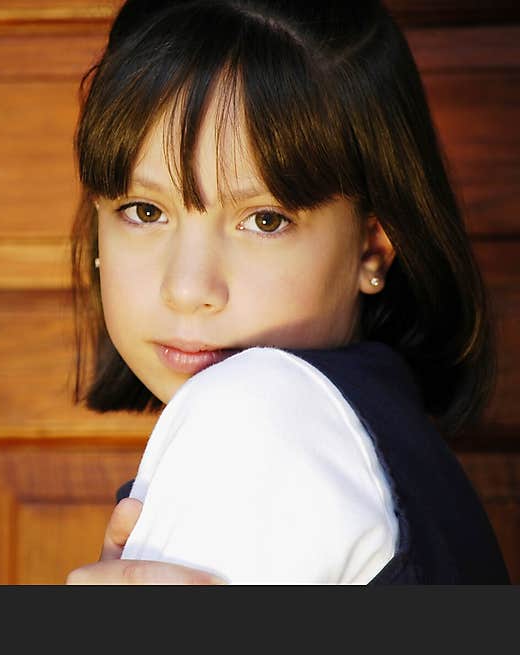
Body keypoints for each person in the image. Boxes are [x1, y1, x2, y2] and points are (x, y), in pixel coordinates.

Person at [64, 0, 510, 584]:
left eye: (266, 220)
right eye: (145, 211)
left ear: (372, 247)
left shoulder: (259, 413)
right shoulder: (384, 439)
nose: (189, 289)